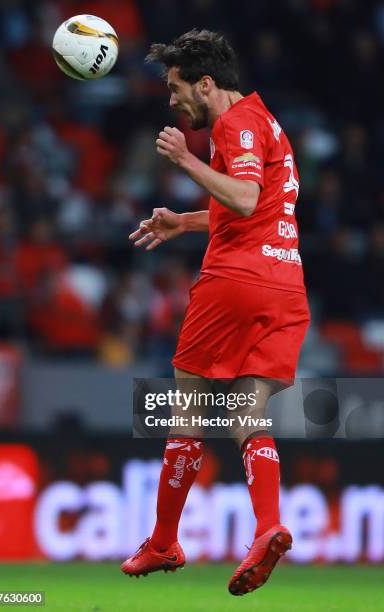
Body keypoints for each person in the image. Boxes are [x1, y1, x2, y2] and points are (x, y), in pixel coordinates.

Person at [121, 29, 310, 596]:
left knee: (186, 409)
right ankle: (268, 526)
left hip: (235, 282)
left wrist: (183, 159)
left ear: (207, 83)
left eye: (176, 88)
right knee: (246, 416)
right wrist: (186, 220)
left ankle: (162, 541)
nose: (171, 100)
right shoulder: (265, 120)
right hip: (286, 284)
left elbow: (246, 198)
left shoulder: (234, 125)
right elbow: (257, 206)